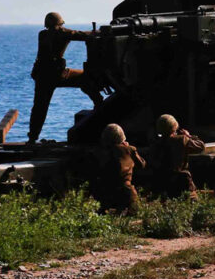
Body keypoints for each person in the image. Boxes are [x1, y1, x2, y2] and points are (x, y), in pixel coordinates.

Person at [27, 12, 103, 143]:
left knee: (39, 107)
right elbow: (81, 35)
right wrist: (96, 33)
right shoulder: (63, 32)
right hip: (58, 74)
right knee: (85, 78)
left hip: (42, 75)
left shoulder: (42, 34)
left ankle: (32, 137)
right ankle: (99, 103)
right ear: (60, 23)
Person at [147, 114, 204, 200]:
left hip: (162, 184)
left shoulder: (155, 144)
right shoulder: (181, 139)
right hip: (182, 183)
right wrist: (189, 136)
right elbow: (200, 147)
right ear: (174, 126)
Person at [93, 123, 143, 213]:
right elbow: (142, 164)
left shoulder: (100, 153)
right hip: (127, 193)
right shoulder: (130, 150)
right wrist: (128, 148)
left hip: (107, 192)